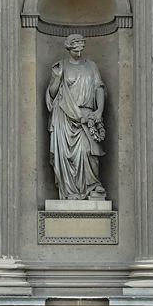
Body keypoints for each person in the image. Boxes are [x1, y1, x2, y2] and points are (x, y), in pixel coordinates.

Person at [46, 33, 107, 200]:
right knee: (66, 156)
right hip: (65, 116)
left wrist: (99, 111)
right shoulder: (61, 66)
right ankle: (69, 191)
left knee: (89, 152)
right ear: (69, 46)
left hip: (88, 116)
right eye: (75, 44)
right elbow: (52, 93)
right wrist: (57, 77)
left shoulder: (91, 66)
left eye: (81, 44)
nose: (79, 48)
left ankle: (92, 186)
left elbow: (98, 88)